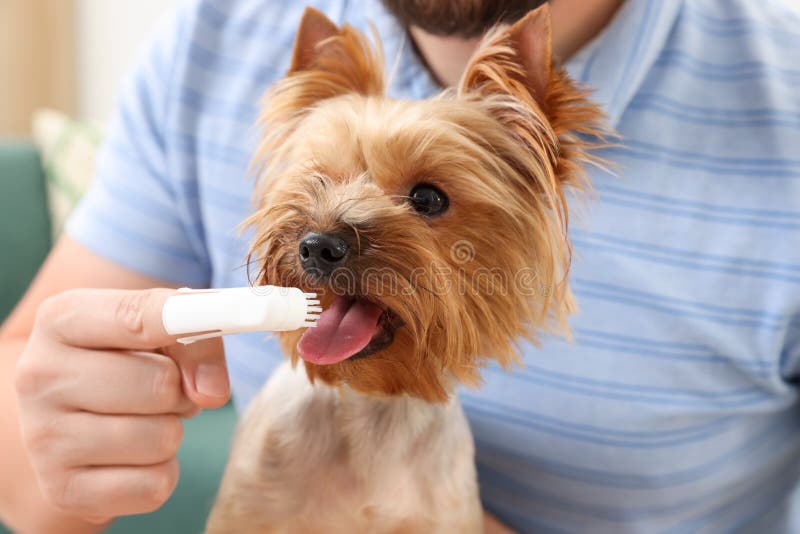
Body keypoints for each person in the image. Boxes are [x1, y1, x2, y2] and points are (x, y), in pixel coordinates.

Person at [2, 0, 799, 532]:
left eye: (426, 199)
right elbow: (20, 397)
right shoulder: (216, 33)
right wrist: (43, 435)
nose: (326, 239)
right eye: (315, 183)